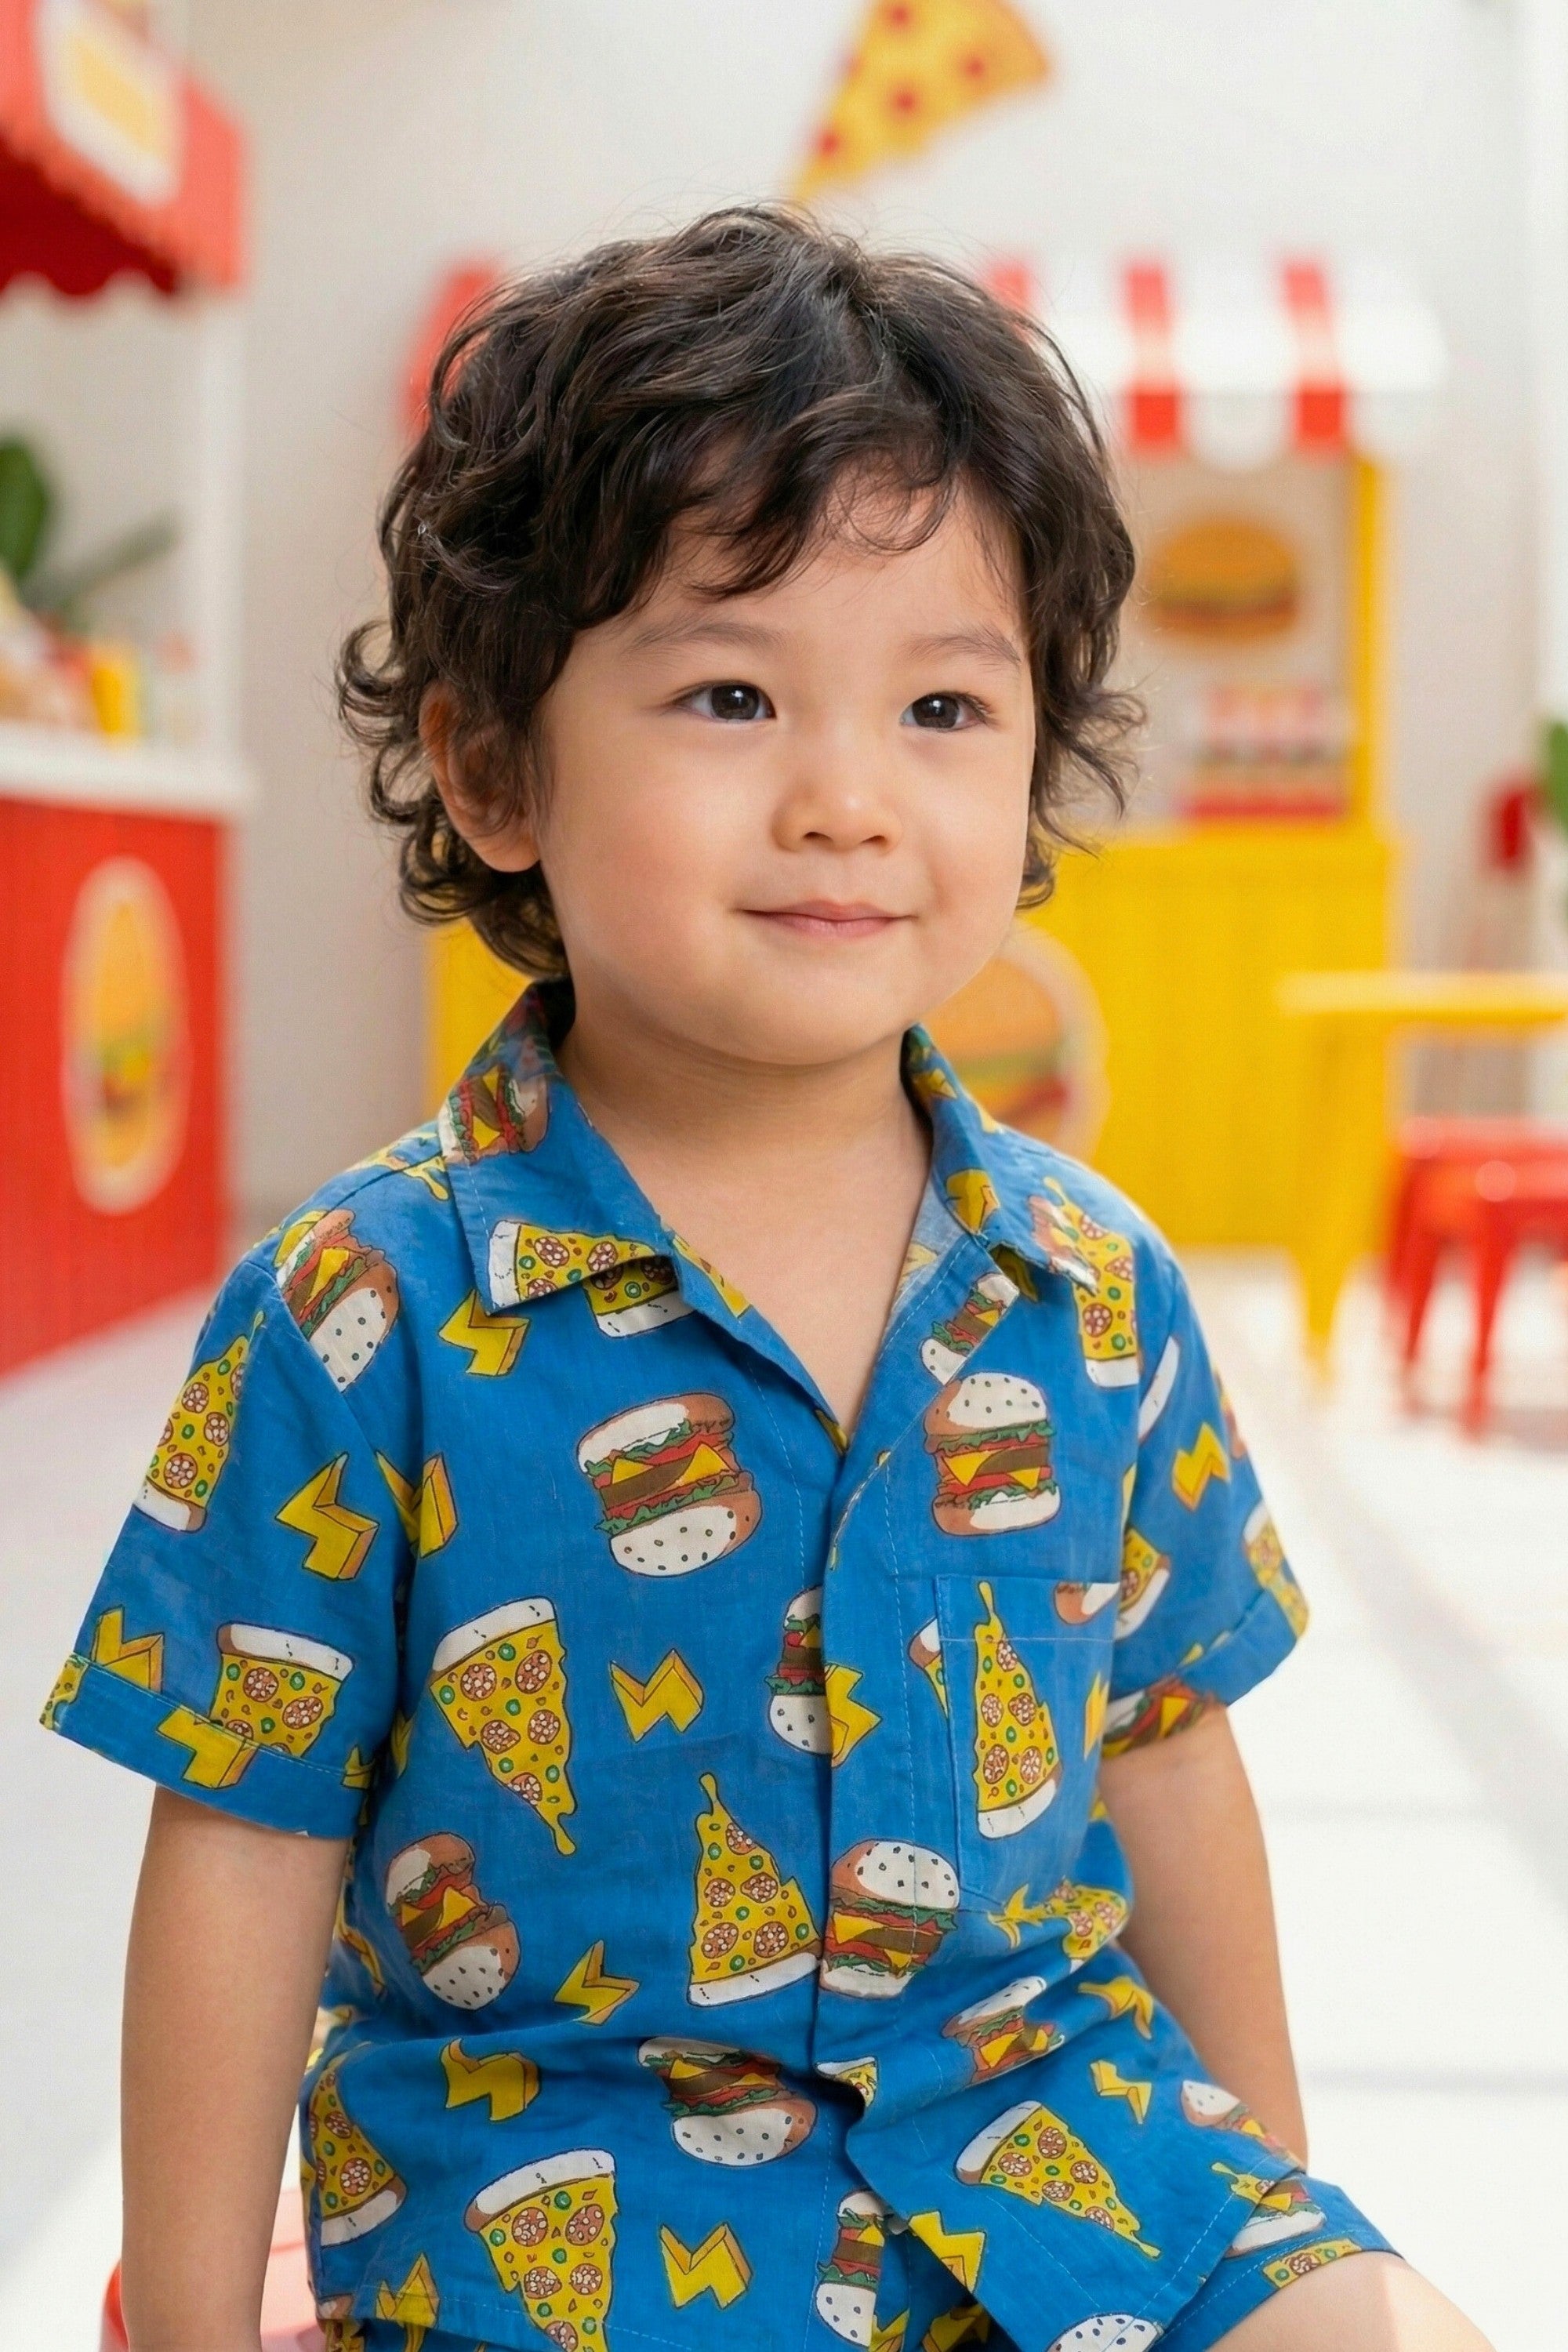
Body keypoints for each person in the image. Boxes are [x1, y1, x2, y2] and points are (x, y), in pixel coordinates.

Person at [45, 207, 1490, 2352]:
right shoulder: (363, 1313)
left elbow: (1170, 1755)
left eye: (938, 705)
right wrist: (183, 2323)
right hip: (562, 2193)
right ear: (490, 767)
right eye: (730, 693)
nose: (846, 799)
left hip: (1046, 2131)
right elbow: (239, 1846)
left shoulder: (1090, 1288)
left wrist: (1275, 2226)